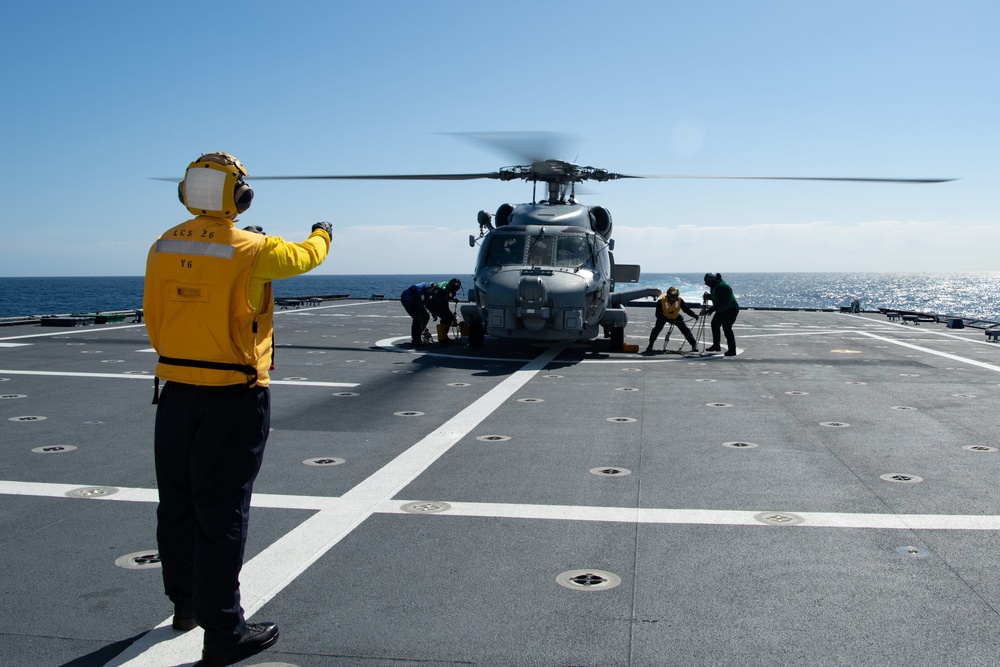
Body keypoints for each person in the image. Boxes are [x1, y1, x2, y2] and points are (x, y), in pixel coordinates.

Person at [144, 152, 331, 666]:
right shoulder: (252, 248)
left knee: (177, 506)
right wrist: (324, 231)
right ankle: (224, 631)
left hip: (175, 393)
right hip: (233, 395)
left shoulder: (162, 244)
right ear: (240, 196)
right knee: (222, 511)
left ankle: (184, 607)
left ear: (186, 193)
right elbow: (304, 257)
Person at [400, 278, 461, 345]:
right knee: (418, 318)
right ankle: (416, 340)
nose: (431, 294)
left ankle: (419, 335)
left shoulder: (430, 291)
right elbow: (417, 304)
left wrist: (433, 313)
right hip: (409, 300)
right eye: (430, 293)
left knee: (426, 316)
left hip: (418, 300)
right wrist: (421, 321)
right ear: (428, 289)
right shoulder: (419, 291)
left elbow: (428, 303)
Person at [646, 286, 700, 353]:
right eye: (673, 297)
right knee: (657, 329)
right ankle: (650, 345)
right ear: (668, 295)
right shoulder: (661, 301)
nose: (675, 299)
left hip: (675, 316)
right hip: (664, 317)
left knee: (685, 330)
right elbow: (658, 315)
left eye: (676, 296)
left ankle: (694, 345)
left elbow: (686, 309)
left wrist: (694, 315)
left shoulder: (679, 300)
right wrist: (668, 320)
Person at [703, 272, 740, 356]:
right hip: (722, 310)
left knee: (727, 328)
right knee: (714, 324)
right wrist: (708, 296)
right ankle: (716, 346)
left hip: (730, 309)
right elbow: (716, 296)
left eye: (708, 283)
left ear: (711, 280)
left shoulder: (722, 287)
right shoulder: (715, 286)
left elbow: (722, 302)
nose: (708, 285)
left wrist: (711, 310)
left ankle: (732, 350)